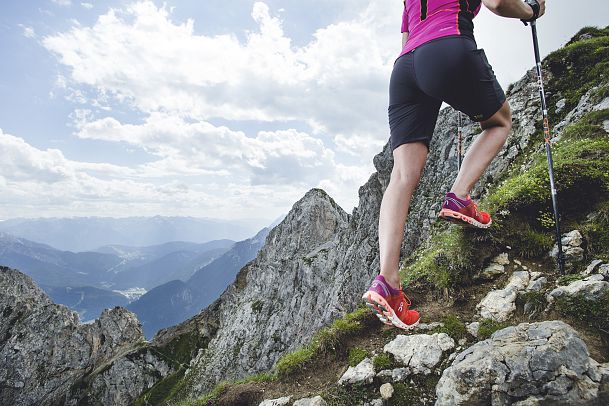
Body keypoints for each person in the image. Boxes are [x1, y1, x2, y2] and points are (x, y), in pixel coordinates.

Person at [362, 0, 546, 330]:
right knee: (500, 121)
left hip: (404, 68)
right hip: (447, 45)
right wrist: (530, 11)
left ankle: (388, 282)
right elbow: (499, 2)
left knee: (402, 175)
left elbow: (407, 39)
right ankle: (460, 196)